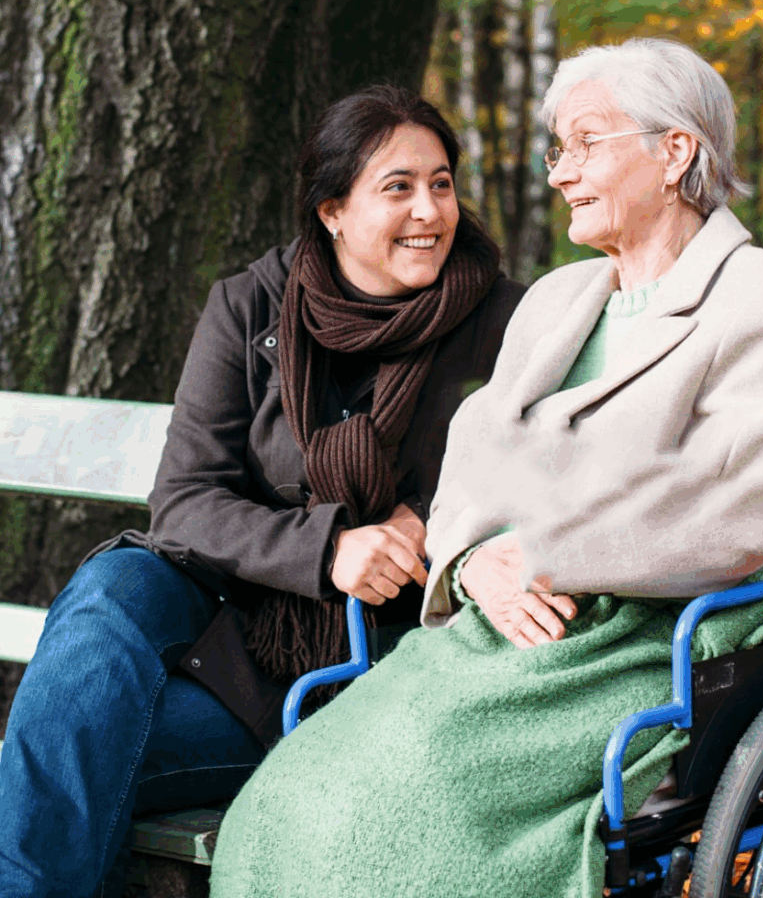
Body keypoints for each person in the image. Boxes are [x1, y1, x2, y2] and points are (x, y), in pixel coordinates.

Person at [209, 37, 763, 898]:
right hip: (506, 618)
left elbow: (734, 512)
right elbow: (474, 464)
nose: (560, 171)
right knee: (287, 796)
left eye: (585, 143)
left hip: (657, 631)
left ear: (676, 151)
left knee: (407, 825)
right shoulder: (556, 301)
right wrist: (473, 558)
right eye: (557, 148)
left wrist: (545, 550)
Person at [0, 85, 525, 898]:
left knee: (67, 756)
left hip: (347, 663)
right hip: (222, 607)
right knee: (111, 587)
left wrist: (427, 521)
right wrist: (331, 548)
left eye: (443, 182)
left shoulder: (501, 323)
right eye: (398, 186)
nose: (431, 210)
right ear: (331, 211)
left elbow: (522, 476)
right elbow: (184, 505)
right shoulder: (252, 304)